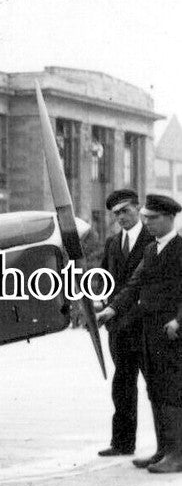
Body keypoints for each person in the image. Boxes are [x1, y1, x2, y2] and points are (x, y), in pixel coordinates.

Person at [97, 194, 182, 473]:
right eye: (146, 218)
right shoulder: (151, 250)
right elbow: (134, 284)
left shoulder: (179, 248)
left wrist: (179, 321)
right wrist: (111, 310)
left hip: (171, 332)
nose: (148, 223)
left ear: (169, 218)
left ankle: (177, 455)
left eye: (153, 218)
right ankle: (163, 451)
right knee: (155, 389)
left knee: (171, 391)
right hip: (150, 330)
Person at [96, 190, 153, 456]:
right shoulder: (112, 243)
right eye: (116, 213)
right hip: (119, 328)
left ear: (138, 208)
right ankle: (122, 443)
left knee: (158, 388)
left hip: (146, 326)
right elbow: (105, 280)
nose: (120, 217)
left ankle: (169, 447)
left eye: (125, 211)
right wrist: (99, 304)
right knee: (122, 386)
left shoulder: (153, 239)